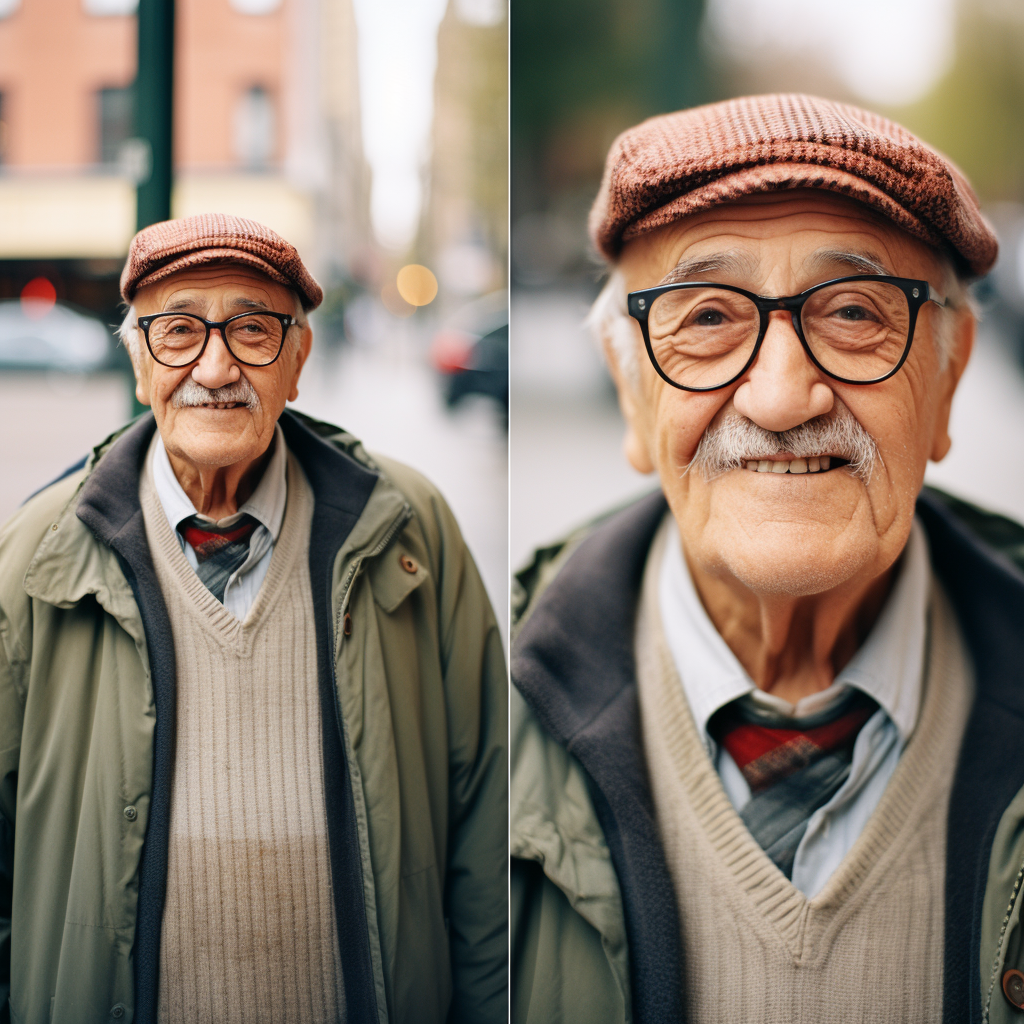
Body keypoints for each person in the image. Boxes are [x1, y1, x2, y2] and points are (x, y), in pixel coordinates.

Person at [510, 94, 1024, 1024]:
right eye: (706, 316)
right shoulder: (474, 718)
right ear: (630, 391)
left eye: (855, 311)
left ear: (949, 378)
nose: (783, 396)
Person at [0, 213, 507, 1024]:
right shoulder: (36, 555)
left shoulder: (410, 530)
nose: (215, 364)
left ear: (298, 359)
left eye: (251, 329)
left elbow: (490, 819)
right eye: (177, 330)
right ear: (139, 362)